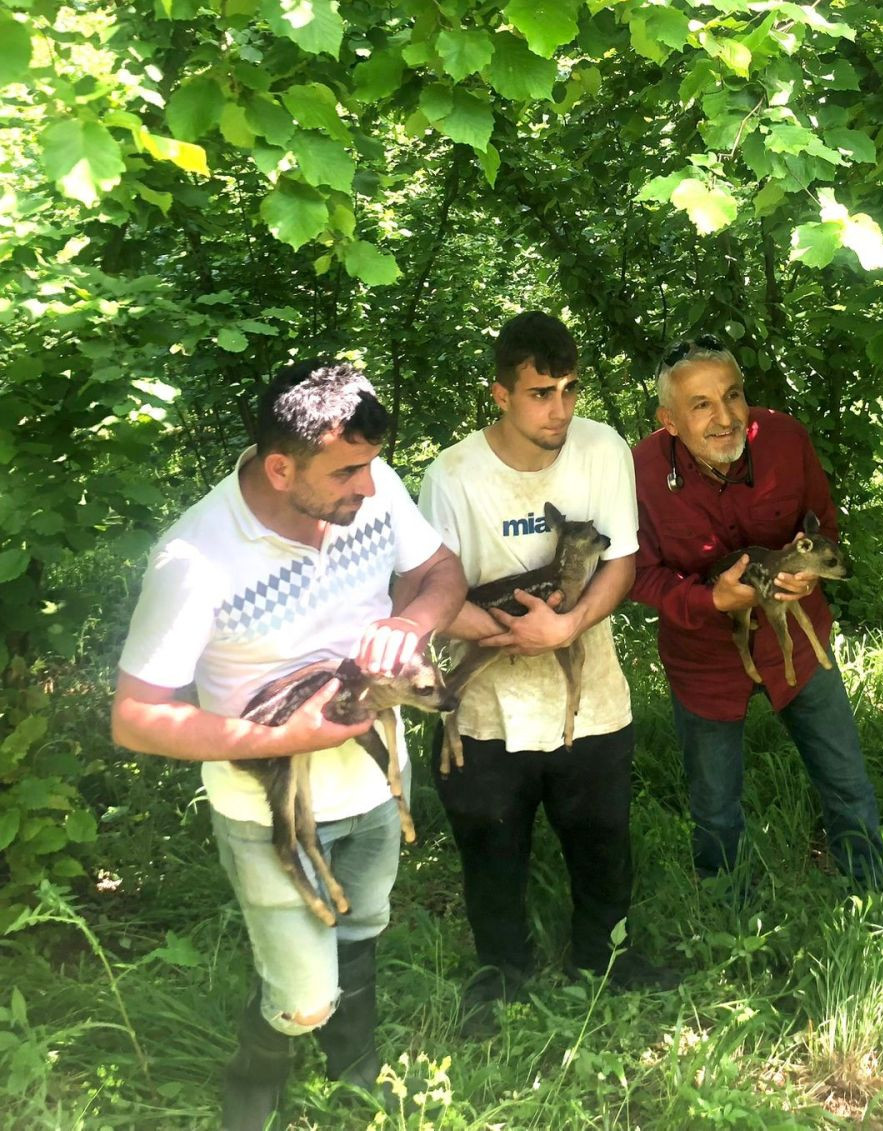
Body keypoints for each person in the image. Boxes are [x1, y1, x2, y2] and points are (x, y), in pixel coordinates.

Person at [112, 362, 466, 1131]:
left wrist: (410, 624)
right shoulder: (195, 560)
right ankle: (256, 1073)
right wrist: (282, 735)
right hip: (265, 806)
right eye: (347, 471)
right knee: (303, 996)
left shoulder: (368, 485)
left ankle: (357, 1071)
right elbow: (137, 716)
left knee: (363, 926)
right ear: (280, 467)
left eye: (371, 465)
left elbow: (442, 571)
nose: (368, 488)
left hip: (375, 785)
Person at [419, 311, 669, 1010]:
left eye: (568, 388)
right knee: (491, 846)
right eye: (539, 392)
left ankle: (606, 960)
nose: (559, 408)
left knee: (602, 838)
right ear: (500, 394)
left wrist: (565, 627)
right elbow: (425, 583)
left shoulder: (602, 448)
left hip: (586, 689)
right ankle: (500, 976)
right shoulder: (453, 474)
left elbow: (621, 558)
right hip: (485, 701)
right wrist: (499, 631)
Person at [631, 336, 883, 892]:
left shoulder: (785, 438)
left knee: (845, 779)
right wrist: (711, 601)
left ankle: (871, 895)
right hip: (703, 660)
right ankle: (728, 918)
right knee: (715, 803)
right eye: (701, 405)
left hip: (796, 640)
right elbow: (638, 575)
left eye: (733, 396)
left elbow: (823, 526)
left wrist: (803, 578)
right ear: (669, 420)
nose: (724, 417)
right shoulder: (641, 473)